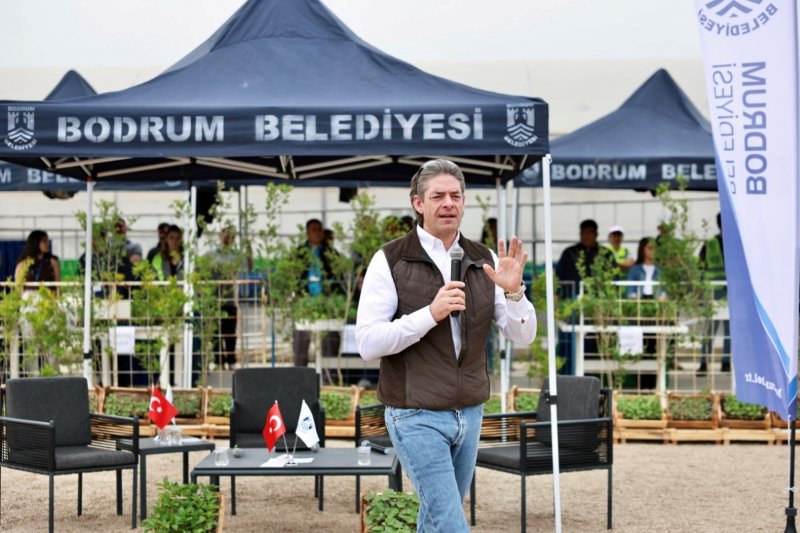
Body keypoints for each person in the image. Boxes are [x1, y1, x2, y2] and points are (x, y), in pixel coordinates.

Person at [356, 159, 536, 531]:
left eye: (456, 195)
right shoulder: (390, 259)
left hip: (470, 412)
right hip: (414, 413)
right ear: (418, 203)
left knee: (435, 520)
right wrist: (430, 314)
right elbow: (368, 343)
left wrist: (515, 293)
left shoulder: (485, 259)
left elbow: (523, 335)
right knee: (451, 523)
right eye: (438, 196)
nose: (448, 203)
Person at [293, 218, 341, 367]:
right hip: (304, 301)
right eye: (314, 230)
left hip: (327, 301)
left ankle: (330, 373)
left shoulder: (330, 252)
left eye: (320, 229)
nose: (318, 233)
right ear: (307, 233)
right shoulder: (300, 253)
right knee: (301, 338)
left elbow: (338, 275)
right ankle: (300, 373)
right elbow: (293, 275)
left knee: (330, 338)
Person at [698, 212, 729, 374]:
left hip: (731, 291)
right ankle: (704, 362)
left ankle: (726, 362)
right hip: (713, 291)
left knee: (729, 329)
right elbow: (700, 267)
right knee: (710, 328)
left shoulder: (736, 243)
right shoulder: (710, 244)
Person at [555, 219, 615, 298]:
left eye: (590, 232)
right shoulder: (569, 253)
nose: (586, 236)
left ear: (596, 234)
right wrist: (555, 294)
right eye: (583, 232)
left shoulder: (605, 253)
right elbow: (558, 275)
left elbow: (614, 277)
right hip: (572, 299)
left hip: (599, 300)